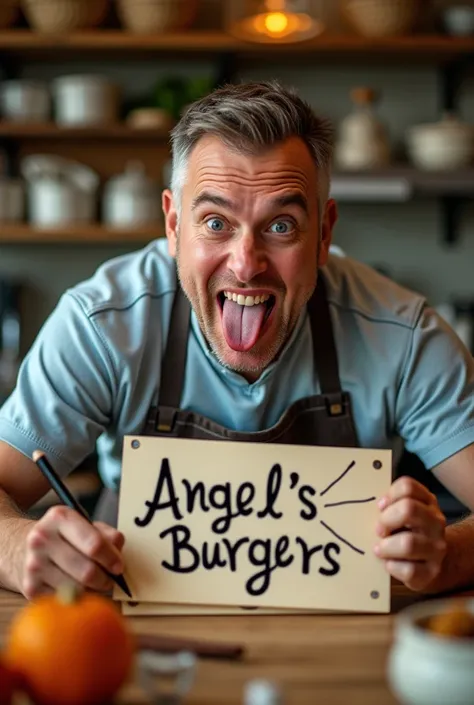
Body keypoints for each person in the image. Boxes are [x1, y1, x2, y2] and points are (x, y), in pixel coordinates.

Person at [0, 81, 473, 601]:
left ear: (324, 233)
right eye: (216, 222)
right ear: (174, 225)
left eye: (282, 226)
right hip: (137, 644)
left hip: (345, 647)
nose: (246, 264)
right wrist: (18, 546)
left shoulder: (403, 336)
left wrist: (446, 555)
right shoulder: (103, 325)